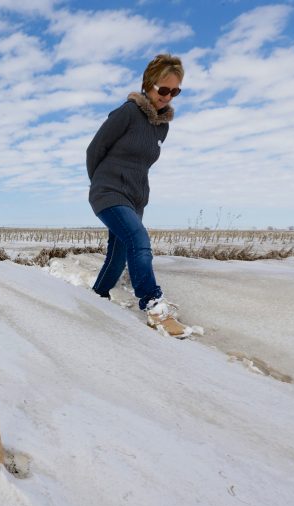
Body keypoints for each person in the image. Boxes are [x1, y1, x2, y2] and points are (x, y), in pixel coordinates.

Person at [86, 54, 184, 318]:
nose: (168, 96)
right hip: (108, 192)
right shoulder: (128, 112)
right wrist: (100, 184)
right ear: (148, 84)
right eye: (163, 89)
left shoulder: (161, 128)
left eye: (175, 91)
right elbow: (95, 149)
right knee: (139, 239)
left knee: (118, 255)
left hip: (135, 200)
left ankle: (97, 297)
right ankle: (152, 300)